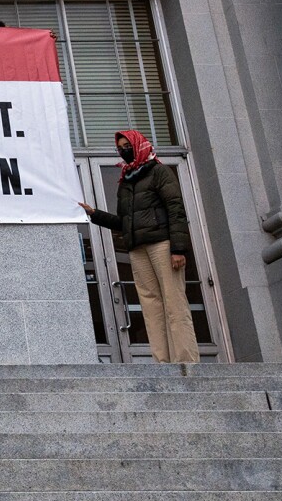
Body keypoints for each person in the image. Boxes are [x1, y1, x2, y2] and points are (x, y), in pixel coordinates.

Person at [78, 130, 199, 364]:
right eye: (120, 147)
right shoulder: (126, 181)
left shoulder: (159, 172)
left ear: (138, 144)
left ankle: (186, 362)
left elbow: (176, 209)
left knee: (174, 303)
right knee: (151, 306)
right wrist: (94, 215)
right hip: (137, 249)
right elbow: (124, 223)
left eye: (127, 145)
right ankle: (162, 363)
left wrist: (178, 248)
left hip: (162, 245)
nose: (123, 150)